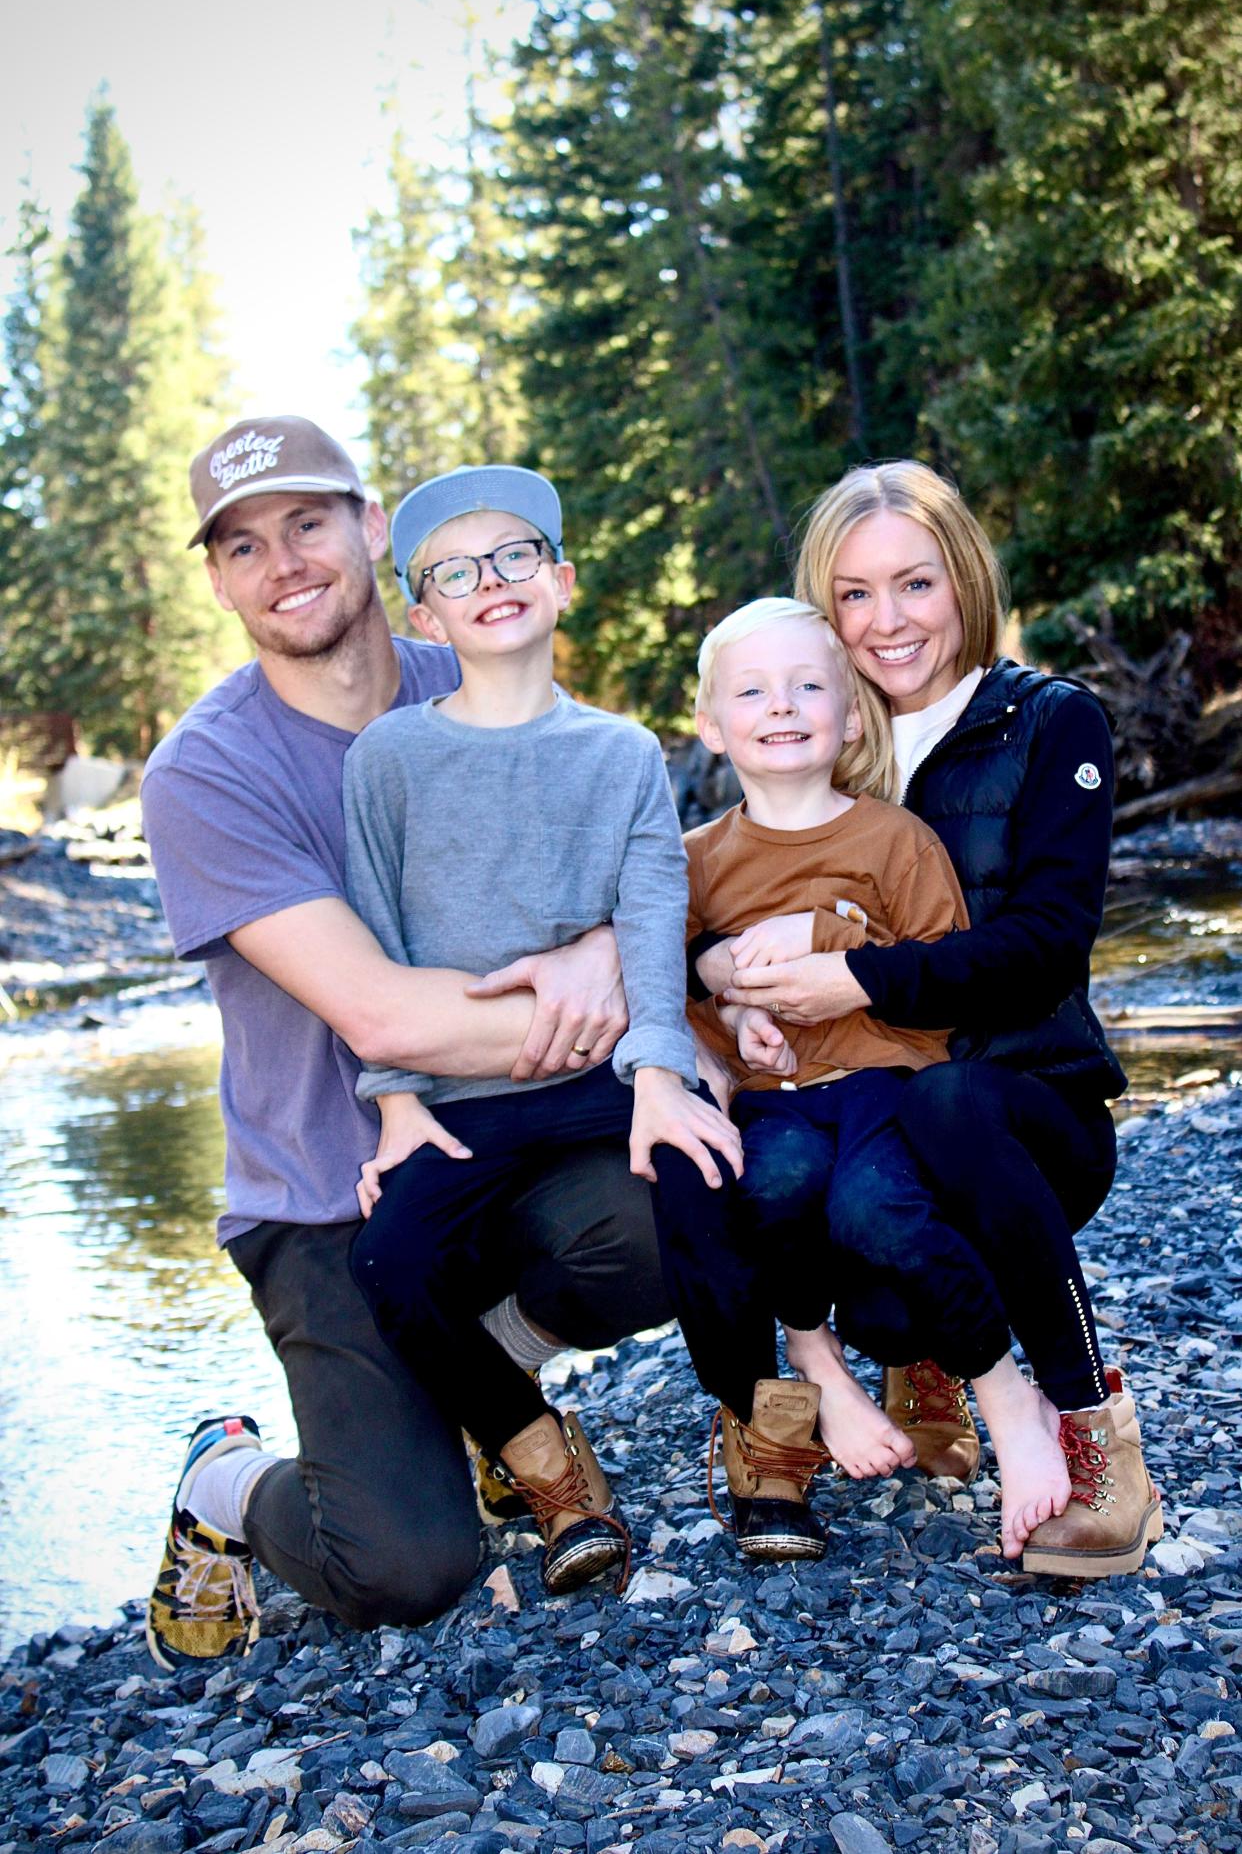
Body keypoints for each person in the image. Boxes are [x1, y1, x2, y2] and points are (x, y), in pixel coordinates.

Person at [139, 416, 675, 1668]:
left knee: (674, 1199)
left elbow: (639, 854)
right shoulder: (207, 774)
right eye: (244, 544)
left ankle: (483, 1374)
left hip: (502, 1144)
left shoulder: (475, 667)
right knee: (406, 1567)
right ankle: (221, 1482)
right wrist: (619, 996)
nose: (285, 562)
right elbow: (382, 1016)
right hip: (327, 1195)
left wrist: (613, 951)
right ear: (220, 579)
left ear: (375, 530)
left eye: (309, 523)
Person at [704, 462, 1161, 1578]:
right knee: (846, 1238)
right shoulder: (819, 729)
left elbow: (1048, 942)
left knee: (951, 1105)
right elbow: (711, 899)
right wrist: (721, 978)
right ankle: (911, 1367)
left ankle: (1095, 1436)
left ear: (962, 580)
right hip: (865, 1112)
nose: (888, 621)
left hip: (1022, 1108)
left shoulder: (1051, 724)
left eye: (914, 584)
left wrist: (859, 979)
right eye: (855, 595)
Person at [340, 462, 741, 1597]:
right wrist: (399, 1105)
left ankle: (762, 1439)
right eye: (456, 572)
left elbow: (653, 910)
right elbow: (374, 931)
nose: (492, 581)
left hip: (593, 1075)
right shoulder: (390, 760)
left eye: (516, 556)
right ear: (427, 615)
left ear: (560, 583)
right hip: (464, 1095)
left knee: (703, 1165)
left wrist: (663, 1070)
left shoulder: (618, 752)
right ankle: (545, 1463)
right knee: (391, 1260)